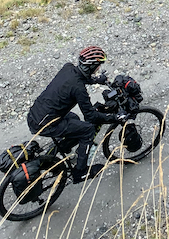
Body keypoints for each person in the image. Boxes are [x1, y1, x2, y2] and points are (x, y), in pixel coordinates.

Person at [27, 45, 125, 183]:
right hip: (44, 124)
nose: (98, 69)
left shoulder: (68, 68)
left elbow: (79, 78)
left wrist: (97, 80)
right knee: (88, 130)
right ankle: (81, 172)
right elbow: (90, 116)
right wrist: (115, 117)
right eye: (97, 66)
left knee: (74, 119)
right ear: (91, 67)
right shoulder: (79, 89)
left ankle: (57, 151)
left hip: (35, 115)